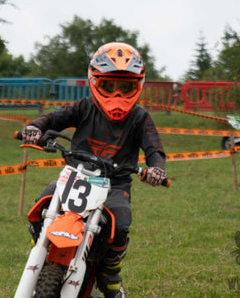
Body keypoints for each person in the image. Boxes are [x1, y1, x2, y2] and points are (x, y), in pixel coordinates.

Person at [21, 42, 167, 298]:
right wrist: (35, 126)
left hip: (115, 185)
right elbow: (55, 118)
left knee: (120, 225)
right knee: (41, 206)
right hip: (74, 176)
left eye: (126, 87)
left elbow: (155, 148)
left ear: (138, 86)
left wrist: (157, 169)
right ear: (95, 81)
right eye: (109, 86)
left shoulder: (140, 117)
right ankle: (41, 245)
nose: (117, 95)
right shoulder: (84, 106)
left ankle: (110, 271)